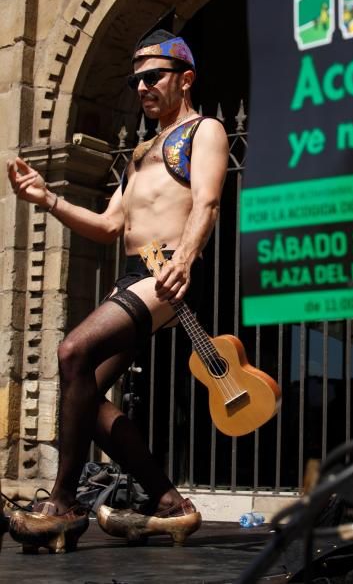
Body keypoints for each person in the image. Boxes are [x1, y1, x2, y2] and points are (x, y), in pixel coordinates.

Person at [7, 29, 229, 553]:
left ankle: (62, 504)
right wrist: (47, 200)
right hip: (132, 276)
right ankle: (170, 502)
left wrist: (187, 259)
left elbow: (207, 202)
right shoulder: (142, 149)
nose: (142, 88)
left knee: (71, 350)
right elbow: (109, 225)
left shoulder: (206, 131)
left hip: (165, 277)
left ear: (186, 78)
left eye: (152, 77)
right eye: (135, 81)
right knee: (84, 396)